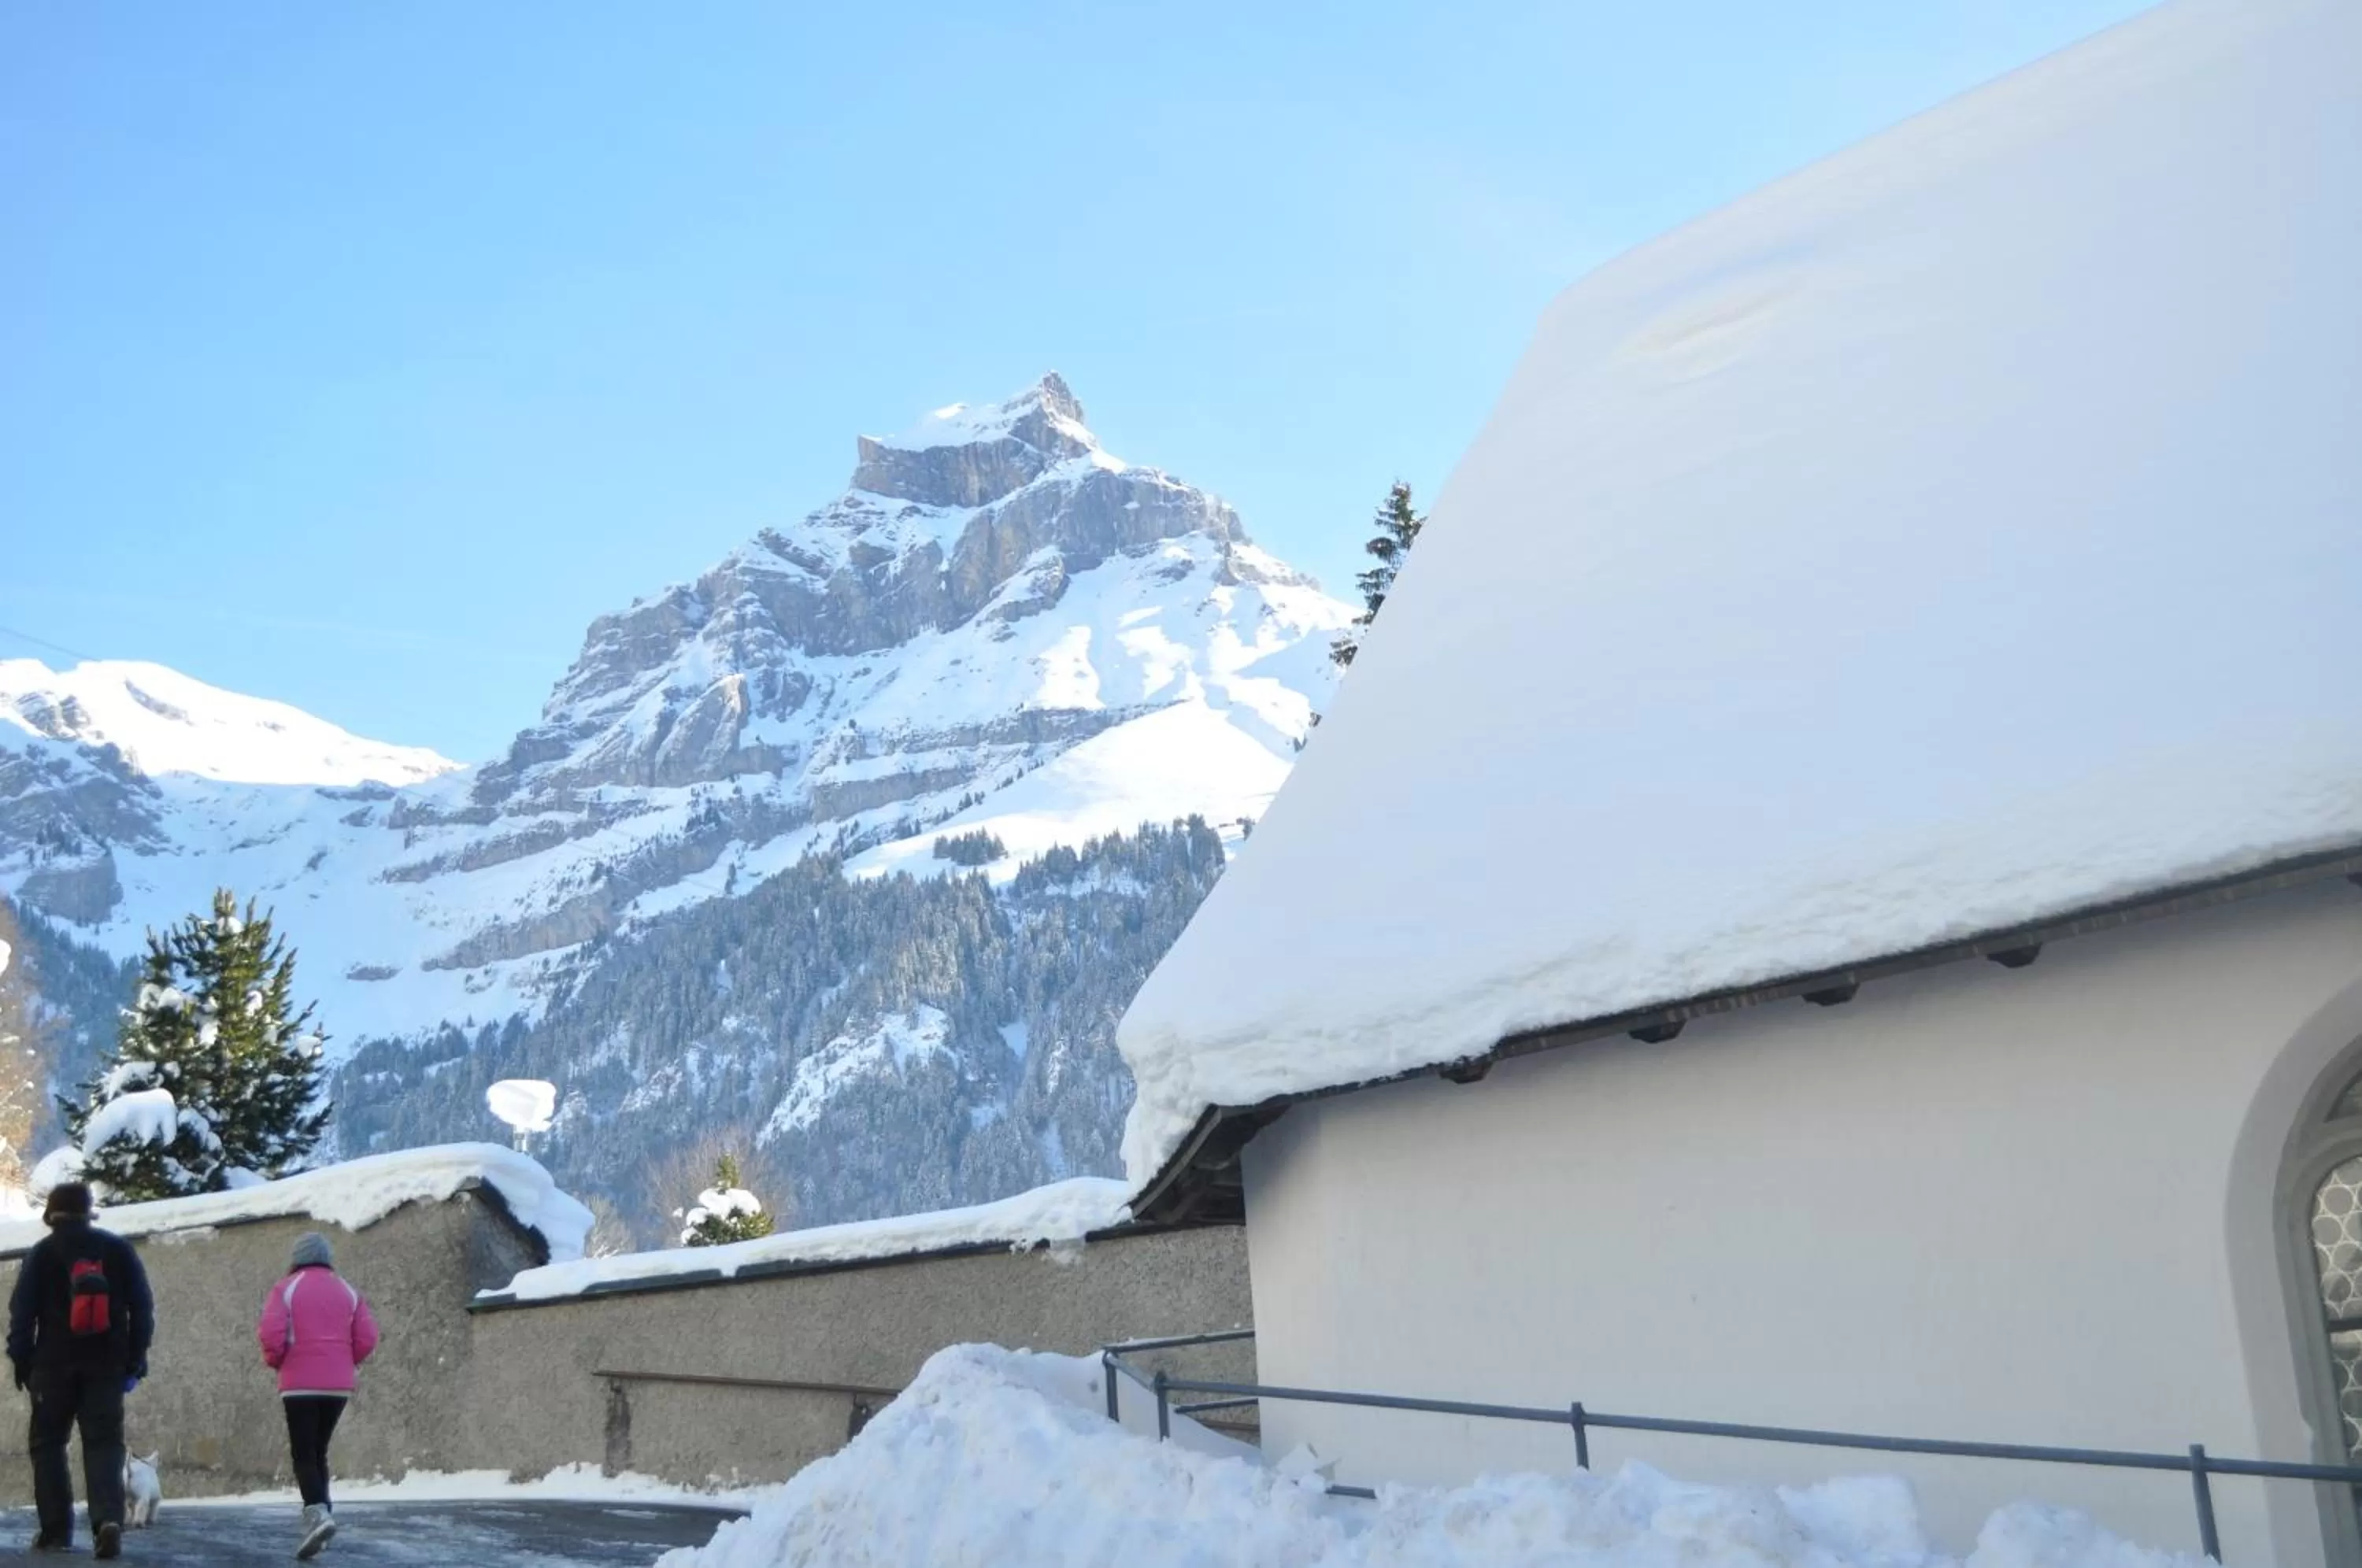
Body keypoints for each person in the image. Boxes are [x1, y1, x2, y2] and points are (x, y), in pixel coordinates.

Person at [5, 1181, 154, 1559]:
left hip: (51, 1367)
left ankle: (55, 1532)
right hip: (106, 1366)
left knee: (48, 1445)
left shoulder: (41, 1254)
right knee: (104, 1444)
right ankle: (107, 1521)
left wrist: (22, 1362)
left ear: (52, 1216)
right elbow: (143, 1309)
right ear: (88, 1213)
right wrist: (134, 1357)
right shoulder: (118, 1250)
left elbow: (21, 1315)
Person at [257, 1231, 378, 1561]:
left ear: (297, 1256)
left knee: (303, 1452)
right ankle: (323, 1517)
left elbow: (271, 1334)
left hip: (299, 1382)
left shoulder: (287, 1288)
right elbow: (367, 1337)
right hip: (338, 1384)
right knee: (318, 1451)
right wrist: (343, 1362)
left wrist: (277, 1360)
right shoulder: (347, 1290)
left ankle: (317, 1513)